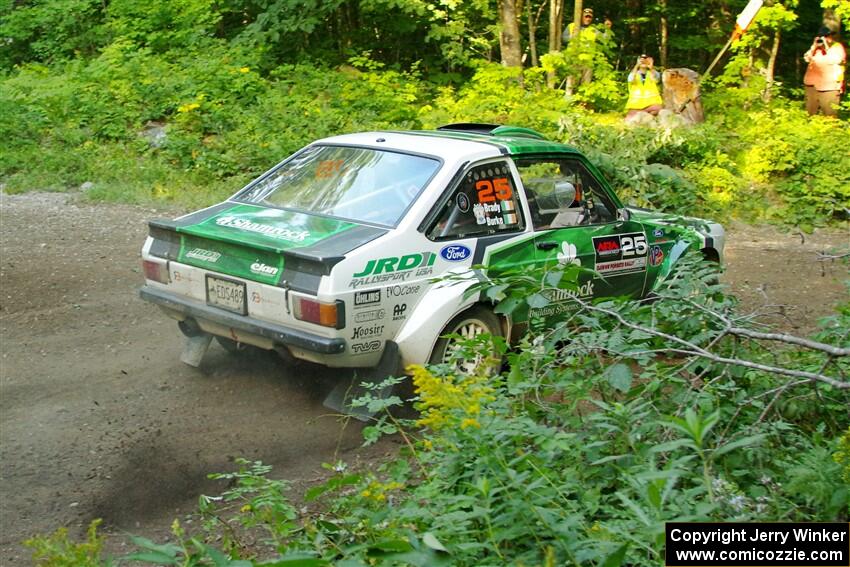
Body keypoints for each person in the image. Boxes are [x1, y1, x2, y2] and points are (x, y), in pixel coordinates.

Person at [803, 27, 846, 117]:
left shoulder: (837, 47)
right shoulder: (816, 48)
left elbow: (836, 60)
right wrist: (814, 46)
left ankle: (831, 130)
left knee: (829, 114)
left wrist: (826, 47)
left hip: (830, 86)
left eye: (828, 36)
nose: (827, 38)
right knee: (809, 113)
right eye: (824, 37)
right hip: (812, 84)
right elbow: (807, 58)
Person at [625, 54, 664, 119]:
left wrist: (651, 67)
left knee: (659, 109)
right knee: (630, 117)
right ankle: (645, 115)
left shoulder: (652, 73)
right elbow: (631, 79)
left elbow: (656, 79)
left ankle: (645, 115)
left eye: (646, 59)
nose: (643, 61)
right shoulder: (634, 73)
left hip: (651, 104)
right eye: (641, 59)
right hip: (636, 105)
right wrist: (637, 65)